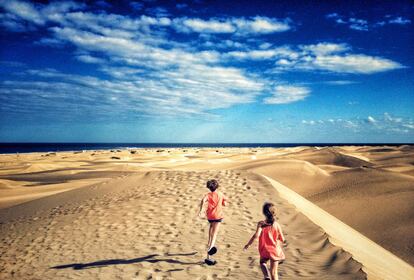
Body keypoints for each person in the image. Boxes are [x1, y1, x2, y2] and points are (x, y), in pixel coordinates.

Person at [244, 202, 286, 280]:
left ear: (264, 213)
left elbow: (256, 236)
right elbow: (282, 239)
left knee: (262, 262)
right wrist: (283, 241)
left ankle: (266, 276)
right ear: (274, 213)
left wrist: (248, 244)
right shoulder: (277, 225)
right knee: (274, 273)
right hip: (275, 251)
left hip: (264, 250)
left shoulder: (261, 224)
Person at [198, 179, 227, 265]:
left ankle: (208, 257)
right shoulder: (220, 194)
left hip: (210, 216)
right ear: (217, 186)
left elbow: (203, 200)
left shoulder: (208, 195)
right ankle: (211, 248)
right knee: (214, 234)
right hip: (218, 216)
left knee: (210, 233)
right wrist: (223, 203)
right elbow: (225, 203)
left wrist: (200, 211)